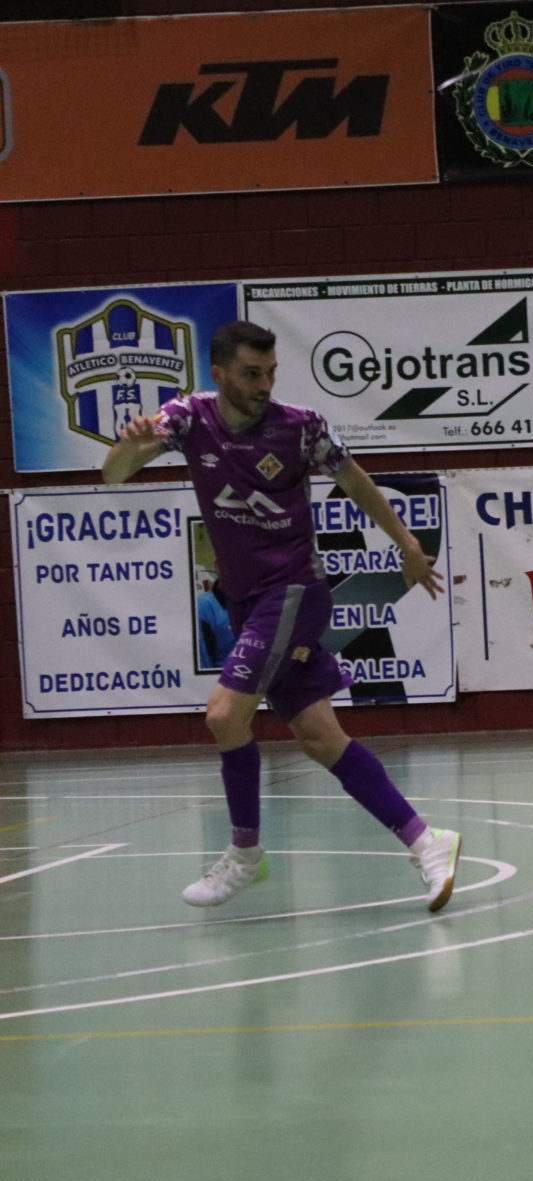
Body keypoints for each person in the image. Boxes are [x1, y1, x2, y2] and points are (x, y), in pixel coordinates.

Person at [102, 321, 462, 912]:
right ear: (219, 374)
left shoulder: (301, 427)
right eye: (251, 374)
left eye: (270, 373)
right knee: (320, 737)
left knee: (224, 716)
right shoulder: (189, 418)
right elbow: (113, 473)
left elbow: (356, 482)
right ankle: (428, 841)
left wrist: (406, 544)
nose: (264, 384)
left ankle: (246, 854)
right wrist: (131, 444)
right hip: (247, 602)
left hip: (293, 591)